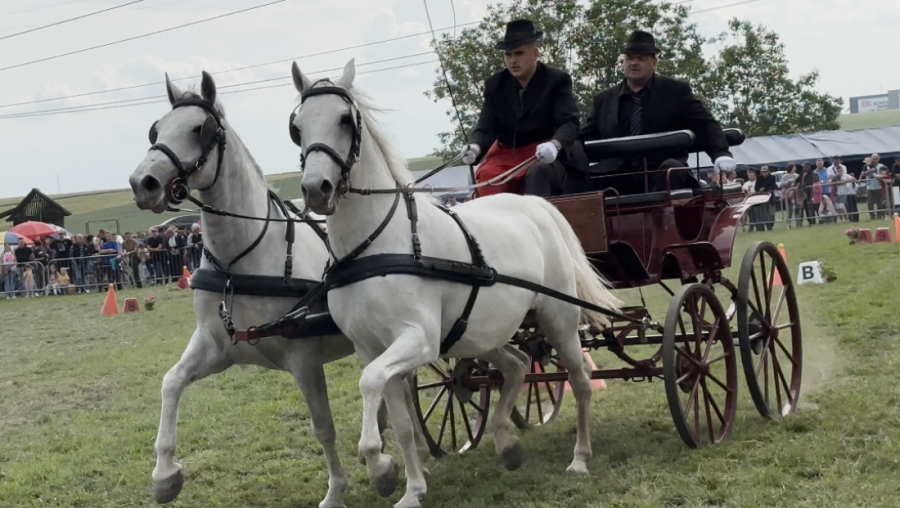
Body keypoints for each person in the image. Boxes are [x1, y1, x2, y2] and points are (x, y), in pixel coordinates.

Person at [578, 30, 736, 195]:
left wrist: (721, 154)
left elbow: (704, 124)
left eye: (641, 58)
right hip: (617, 174)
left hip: (663, 171)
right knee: (582, 181)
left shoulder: (676, 91)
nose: (634, 63)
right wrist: (558, 146)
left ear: (654, 62)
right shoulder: (604, 100)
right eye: (629, 58)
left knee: (671, 170)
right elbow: (585, 136)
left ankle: (663, 219)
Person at [462, 19, 588, 197]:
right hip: (507, 155)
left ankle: (535, 221)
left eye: (519, 53)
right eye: (508, 55)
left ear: (535, 53)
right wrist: (475, 146)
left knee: (538, 172)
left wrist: (555, 144)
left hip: (547, 154)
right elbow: (486, 127)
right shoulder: (495, 85)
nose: (513, 60)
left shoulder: (557, 80)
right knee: (488, 175)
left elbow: (569, 122)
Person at [861, 153, 887, 219]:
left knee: (880, 203)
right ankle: (872, 216)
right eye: (873, 159)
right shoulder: (866, 166)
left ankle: (879, 216)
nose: (874, 160)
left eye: (876, 159)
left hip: (879, 186)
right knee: (870, 203)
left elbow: (885, 174)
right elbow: (863, 174)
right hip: (869, 187)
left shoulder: (881, 166)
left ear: (878, 159)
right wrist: (870, 171)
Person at [754, 166, 777, 230]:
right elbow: (756, 188)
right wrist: (760, 189)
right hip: (763, 198)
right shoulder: (759, 178)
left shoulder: (772, 177)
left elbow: (773, 186)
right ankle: (768, 226)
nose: (765, 173)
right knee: (765, 212)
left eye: (766, 171)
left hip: (771, 197)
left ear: (768, 171)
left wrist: (764, 188)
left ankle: (771, 223)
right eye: (763, 171)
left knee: (771, 213)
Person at [797, 161, 817, 226]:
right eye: (803, 167)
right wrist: (794, 183)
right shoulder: (802, 173)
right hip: (802, 193)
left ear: (809, 167)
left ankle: (812, 221)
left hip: (809, 193)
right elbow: (798, 179)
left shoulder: (811, 174)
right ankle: (803, 221)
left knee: (810, 207)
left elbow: (809, 182)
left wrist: (801, 186)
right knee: (804, 207)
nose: (803, 168)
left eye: (805, 167)